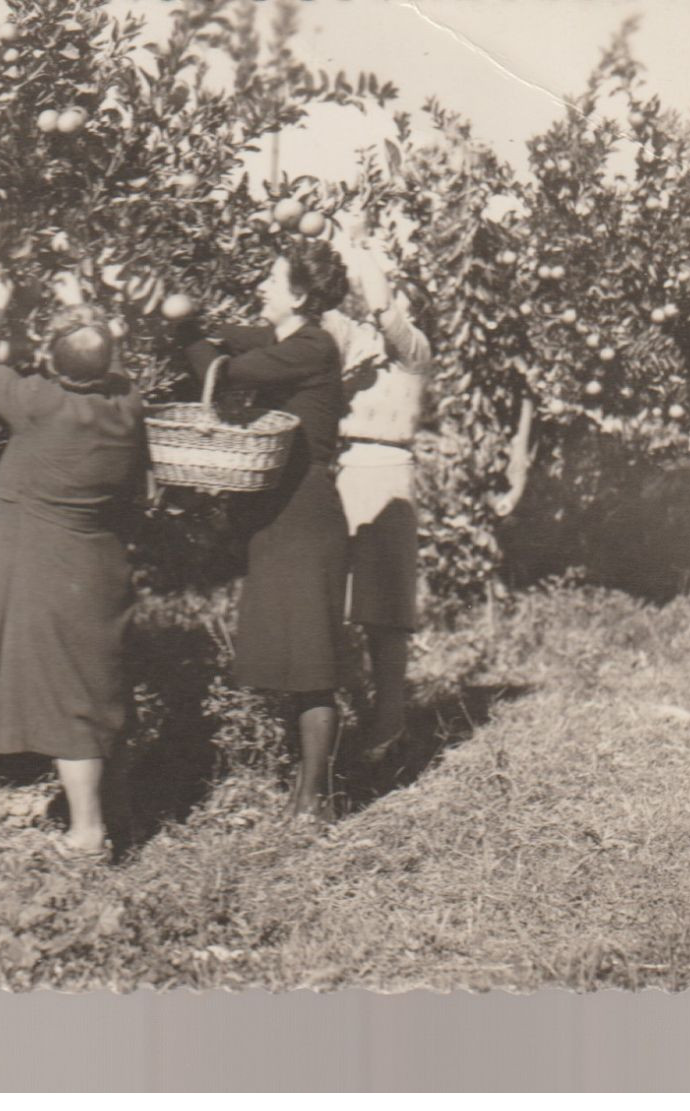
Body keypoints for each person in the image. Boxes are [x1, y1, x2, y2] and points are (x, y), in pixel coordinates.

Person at [0, 271, 148, 863]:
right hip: (98, 566)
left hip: (47, 566)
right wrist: (78, 309)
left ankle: (88, 835)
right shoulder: (126, 404)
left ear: (51, 364)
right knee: (93, 687)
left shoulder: (40, 404)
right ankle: (112, 811)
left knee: (70, 700)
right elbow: (106, 364)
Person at [178, 241, 352, 825]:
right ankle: (307, 792)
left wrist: (186, 334)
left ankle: (315, 802)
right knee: (296, 655)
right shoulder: (289, 340)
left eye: (272, 281)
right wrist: (194, 324)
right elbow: (229, 340)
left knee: (313, 662)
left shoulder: (311, 347)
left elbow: (223, 370)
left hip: (307, 515)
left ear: (300, 295)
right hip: (284, 513)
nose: (261, 288)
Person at [323, 218, 435, 763]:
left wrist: (366, 251)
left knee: (385, 613)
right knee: (336, 603)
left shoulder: (413, 349)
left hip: (389, 471)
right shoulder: (350, 343)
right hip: (344, 471)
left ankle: (389, 722)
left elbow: (386, 313)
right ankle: (349, 714)